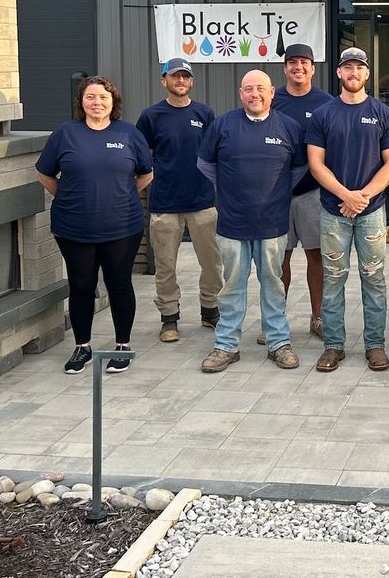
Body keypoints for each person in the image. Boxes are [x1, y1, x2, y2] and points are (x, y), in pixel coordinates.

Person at [36, 76, 153, 375]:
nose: (97, 102)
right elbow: (45, 174)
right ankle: (82, 346)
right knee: (82, 285)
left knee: (119, 284)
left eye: (103, 97)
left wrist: (119, 196)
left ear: (113, 102)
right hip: (74, 228)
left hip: (122, 228)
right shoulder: (65, 134)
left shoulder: (128, 133)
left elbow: (145, 174)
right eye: (90, 97)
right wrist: (70, 197)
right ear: (81, 102)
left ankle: (123, 346)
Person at [196, 70, 307, 372]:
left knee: (273, 283)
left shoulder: (289, 127)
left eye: (260, 88)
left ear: (272, 92)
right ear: (240, 93)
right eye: (248, 89)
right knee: (231, 286)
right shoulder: (223, 125)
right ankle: (226, 346)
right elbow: (205, 163)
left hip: (272, 223)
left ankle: (278, 343)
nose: (254, 94)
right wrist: (228, 188)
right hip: (232, 223)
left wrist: (276, 191)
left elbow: (298, 168)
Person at [306, 47, 389, 373]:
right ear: (338, 73)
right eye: (347, 67)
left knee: (373, 278)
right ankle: (334, 345)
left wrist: (362, 196)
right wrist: (345, 195)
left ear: (366, 74)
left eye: (358, 68)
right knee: (333, 279)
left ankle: (375, 344)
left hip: (371, 211)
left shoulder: (382, 113)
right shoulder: (323, 114)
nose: (353, 73)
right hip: (334, 212)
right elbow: (316, 164)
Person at [134, 58, 221, 344]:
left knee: (211, 262)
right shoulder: (151, 116)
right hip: (165, 204)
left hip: (202, 202)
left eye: (185, 76)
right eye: (175, 76)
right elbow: (139, 154)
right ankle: (169, 318)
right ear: (164, 81)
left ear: (191, 81)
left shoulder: (205, 113)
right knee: (166, 265)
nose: (180, 81)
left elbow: (214, 153)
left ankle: (210, 310)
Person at [271, 43, 334, 340]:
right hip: (276, 194)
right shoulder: (272, 99)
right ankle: (276, 321)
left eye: (304, 62)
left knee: (316, 257)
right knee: (278, 260)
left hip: (313, 193)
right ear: (285, 68)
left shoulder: (325, 102)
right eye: (292, 62)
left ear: (313, 68)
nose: (298, 66)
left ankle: (318, 316)